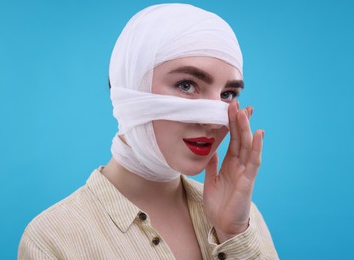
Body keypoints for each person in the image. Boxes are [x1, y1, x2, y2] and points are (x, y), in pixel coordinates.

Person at [18, 3, 278, 259]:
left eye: (227, 94)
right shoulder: (52, 240)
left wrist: (233, 236)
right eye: (187, 85)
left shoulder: (243, 218)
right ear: (130, 87)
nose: (212, 121)